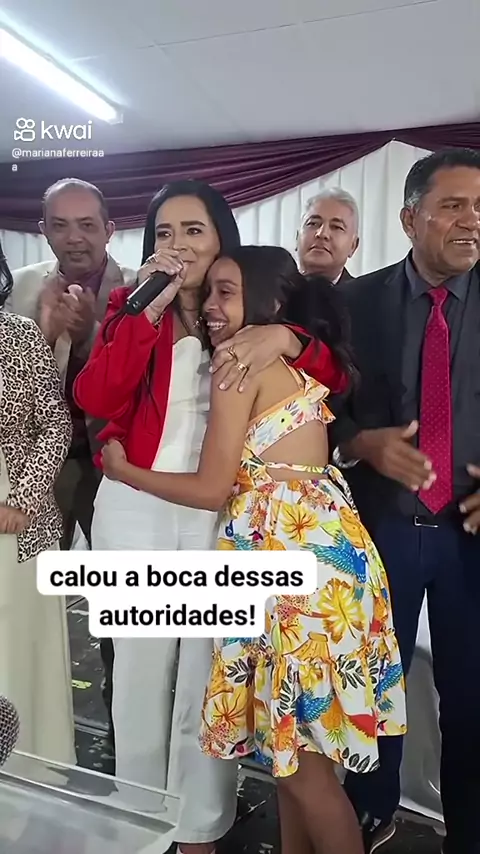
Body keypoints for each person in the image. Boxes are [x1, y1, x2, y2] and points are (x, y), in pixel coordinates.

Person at [100, 244, 406, 854]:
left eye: (227, 292)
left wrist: (124, 470)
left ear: (266, 302)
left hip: (292, 584)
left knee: (307, 777)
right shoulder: (288, 361)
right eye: (209, 292)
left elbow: (212, 488)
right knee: (294, 764)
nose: (211, 306)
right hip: (332, 567)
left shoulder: (238, 363)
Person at [74, 180, 349, 854]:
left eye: (193, 230)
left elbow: (333, 376)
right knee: (138, 674)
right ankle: (138, 822)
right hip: (135, 511)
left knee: (211, 677)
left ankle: (199, 828)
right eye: (165, 232)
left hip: (216, 511)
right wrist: (143, 313)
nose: (178, 245)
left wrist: (284, 337)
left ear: (221, 236)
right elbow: (95, 395)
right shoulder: (131, 304)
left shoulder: (250, 308)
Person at [331, 148, 480, 854]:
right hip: (382, 530)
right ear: (409, 218)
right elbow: (321, 407)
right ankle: (370, 816)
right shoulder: (354, 304)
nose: (471, 220)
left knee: (472, 700)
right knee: (373, 689)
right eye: (453, 206)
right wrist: (361, 443)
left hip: (468, 536)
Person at [7, 178, 136, 748]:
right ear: (43, 231)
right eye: (60, 225)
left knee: (116, 602)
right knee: (26, 596)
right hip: (30, 468)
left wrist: (93, 338)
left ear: (110, 229)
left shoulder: (139, 288)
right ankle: (34, 722)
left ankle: (122, 728)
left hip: (111, 465)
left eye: (87, 225)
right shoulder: (21, 287)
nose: (74, 237)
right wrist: (46, 333)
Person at [0, 238, 75, 764]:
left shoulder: (19, 335)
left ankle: (29, 770)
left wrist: (23, 499)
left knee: (17, 643)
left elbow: (54, 423)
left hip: (17, 518)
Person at [297, 188, 359, 284]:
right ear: (297, 237)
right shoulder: (275, 289)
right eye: (313, 223)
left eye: (336, 227)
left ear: (353, 246)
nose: (322, 234)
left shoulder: (367, 293)